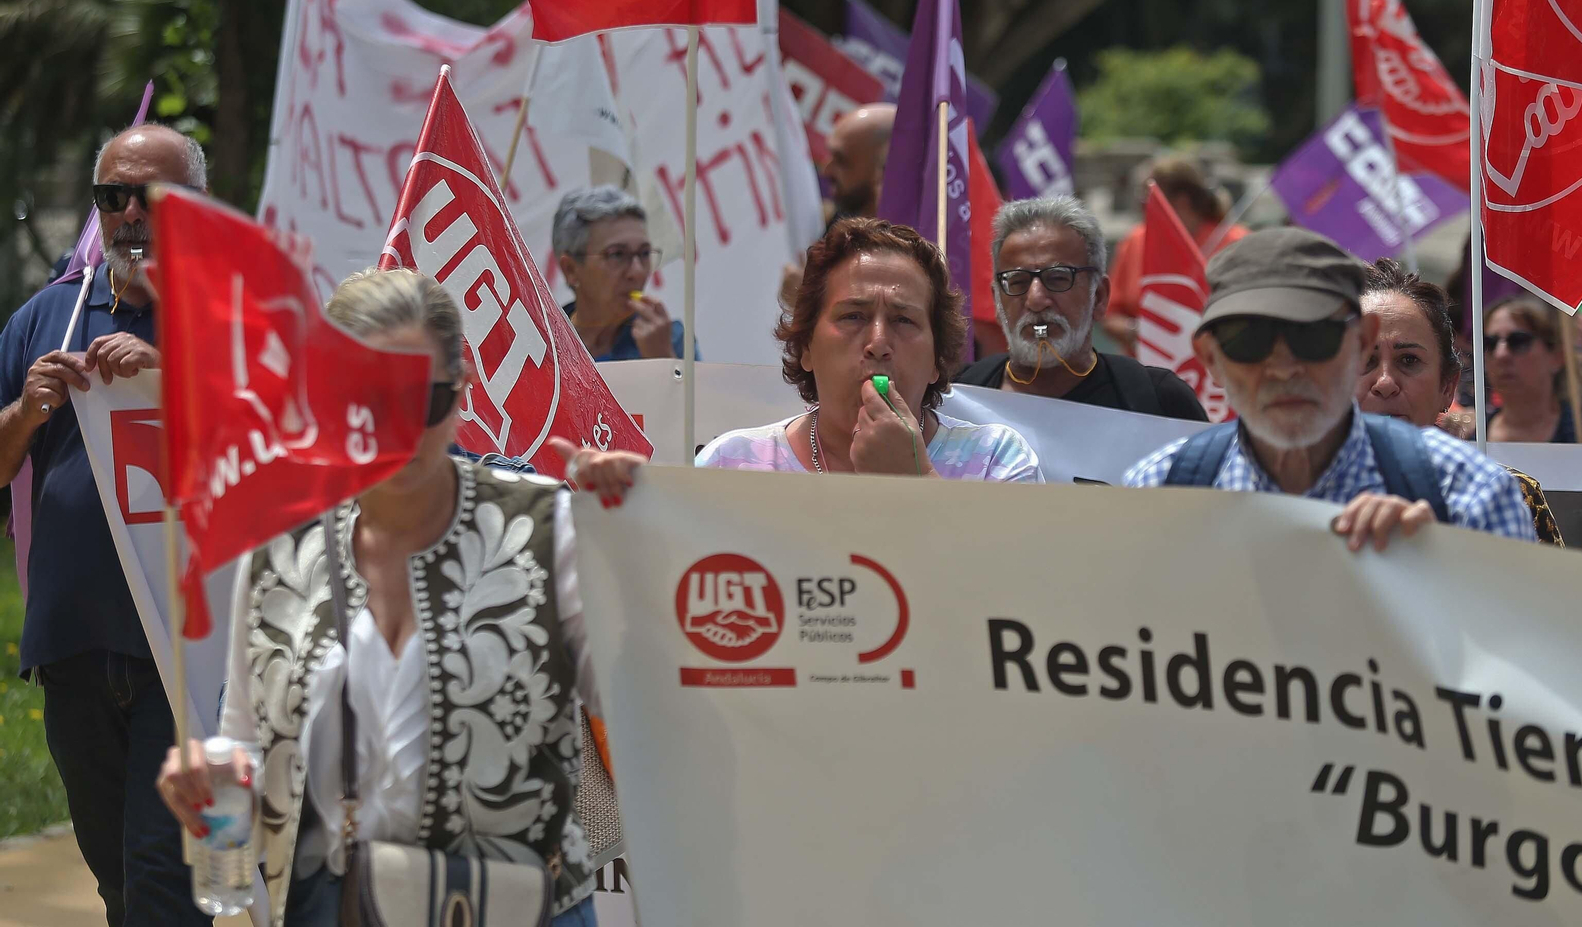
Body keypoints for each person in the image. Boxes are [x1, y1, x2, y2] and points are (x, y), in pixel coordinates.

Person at [156, 269, 600, 927]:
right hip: (334, 908)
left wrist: (638, 539)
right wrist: (207, 778)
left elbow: (651, 700)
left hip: (521, 911)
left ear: (463, 384)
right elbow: (247, 743)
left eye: (422, 399)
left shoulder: (547, 528)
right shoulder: (280, 547)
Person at [0, 124, 210, 927]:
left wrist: (170, 372)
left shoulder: (231, 313)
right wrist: (25, 411)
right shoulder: (48, 318)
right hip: (75, 644)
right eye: (111, 197)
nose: (129, 213)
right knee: (119, 873)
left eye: (150, 196)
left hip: (190, 651)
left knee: (165, 876)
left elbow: (280, 435)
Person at [561, 217, 1044, 498]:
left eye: (904, 320)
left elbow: (1014, 592)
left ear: (939, 359)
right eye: (853, 317)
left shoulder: (997, 461)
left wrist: (913, 479)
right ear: (806, 348)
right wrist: (625, 510)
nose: (878, 341)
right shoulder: (733, 464)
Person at [1124, 227, 1536, 550]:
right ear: (1211, 357)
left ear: (1359, 340)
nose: (1283, 368)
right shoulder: (1155, 492)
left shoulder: (1469, 496)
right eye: (1248, 341)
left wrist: (1441, 565)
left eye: (1312, 337)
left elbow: (1523, 652)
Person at [1358, 259, 1564, 545]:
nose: (1385, 382)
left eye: (1408, 360)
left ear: (1447, 386)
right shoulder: (1287, 484)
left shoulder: (1497, 496)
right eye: (1364, 359)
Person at [956, 197, 1208, 420]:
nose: (1035, 299)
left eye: (1057, 278)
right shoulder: (958, 397)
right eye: (1017, 282)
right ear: (998, 302)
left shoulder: (1158, 402)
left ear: (1098, 296)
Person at [1102, 157, 1249, 354]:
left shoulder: (1236, 244)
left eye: (1145, 200)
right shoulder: (1135, 241)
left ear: (1182, 202)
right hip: (1147, 374)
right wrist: (1140, 333)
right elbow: (1110, 314)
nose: (1140, 208)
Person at [554, 185, 693, 362]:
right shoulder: (542, 344)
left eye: (644, 254)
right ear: (571, 269)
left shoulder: (671, 341)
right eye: (617, 255)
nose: (637, 272)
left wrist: (664, 361)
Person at [781, 104, 898, 308]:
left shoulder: (907, 262)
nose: (827, 170)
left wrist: (809, 304)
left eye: (841, 160)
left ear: (885, 171)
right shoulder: (832, 224)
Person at [1482, 295, 1582, 444]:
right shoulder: (1470, 440)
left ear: (1558, 356)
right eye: (1490, 343)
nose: (1501, 354)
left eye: (1518, 341)